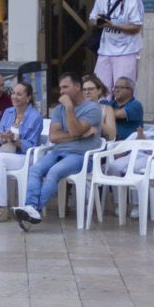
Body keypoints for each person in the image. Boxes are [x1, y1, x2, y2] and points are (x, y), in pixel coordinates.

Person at [14, 74, 104, 228]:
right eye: (60, 88)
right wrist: (79, 135)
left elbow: (74, 130)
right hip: (58, 151)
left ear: (77, 87)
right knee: (35, 170)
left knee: (54, 172)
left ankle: (32, 210)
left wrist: (69, 108)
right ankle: (30, 208)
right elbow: (54, 137)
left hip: (81, 156)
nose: (61, 92)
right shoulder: (58, 109)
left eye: (65, 87)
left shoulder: (93, 109)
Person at [0, 81, 45, 222]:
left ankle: (0, 208)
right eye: (13, 93)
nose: (14, 96)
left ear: (28, 97)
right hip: (6, 153)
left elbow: (32, 145)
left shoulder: (35, 116)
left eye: (19, 94)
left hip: (25, 156)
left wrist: (15, 140)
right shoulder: (8, 112)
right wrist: (2, 139)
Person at [88, 0, 143, 89]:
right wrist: (97, 21)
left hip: (127, 51)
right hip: (104, 51)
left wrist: (113, 25)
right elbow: (91, 20)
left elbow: (137, 27)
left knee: (122, 89)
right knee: (101, 89)